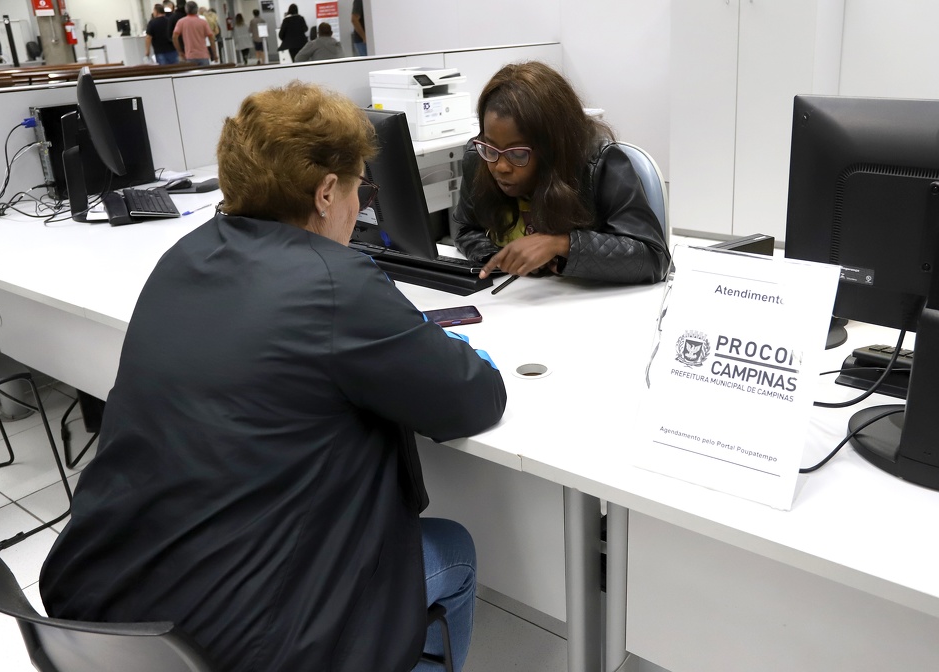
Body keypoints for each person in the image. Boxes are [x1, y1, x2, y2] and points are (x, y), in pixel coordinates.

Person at [38, 81, 506, 672]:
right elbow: (474, 399)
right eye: (361, 187)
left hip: (104, 618)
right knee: (454, 551)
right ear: (326, 191)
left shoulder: (182, 256)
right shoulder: (337, 281)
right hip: (242, 646)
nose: (362, 206)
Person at [453, 61, 670, 285]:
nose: (500, 166)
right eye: (490, 148)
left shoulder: (600, 165)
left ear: (553, 148)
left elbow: (653, 258)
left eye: (517, 154)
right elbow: (465, 229)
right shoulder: (478, 158)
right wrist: (500, 260)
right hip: (517, 301)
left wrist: (562, 244)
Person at [172, 1, 217, 65]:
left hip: (189, 55)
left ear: (186, 10)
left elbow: (174, 37)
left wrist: (180, 51)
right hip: (203, 55)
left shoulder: (181, 22)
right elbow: (211, 38)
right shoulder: (203, 22)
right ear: (196, 10)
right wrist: (214, 54)